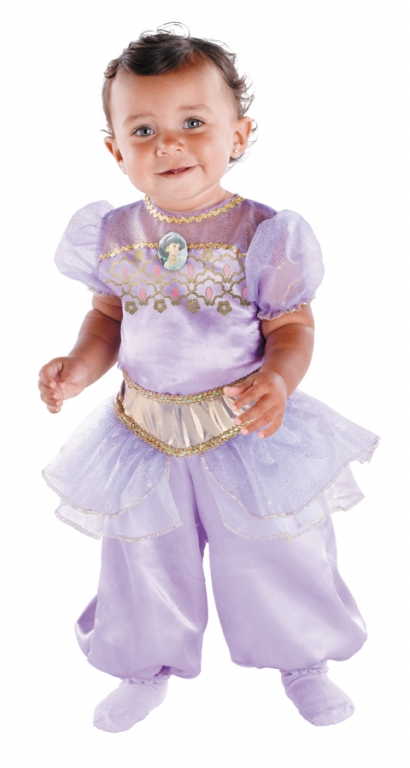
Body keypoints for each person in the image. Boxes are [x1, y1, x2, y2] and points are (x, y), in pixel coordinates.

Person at [39, 25, 379, 733]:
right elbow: (108, 319)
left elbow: (292, 326)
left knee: (275, 551)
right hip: (143, 431)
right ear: (116, 151)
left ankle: (302, 660)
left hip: (246, 429)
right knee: (142, 555)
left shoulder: (261, 232)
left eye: (193, 123)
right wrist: (79, 366)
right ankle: (143, 665)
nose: (170, 144)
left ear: (238, 134)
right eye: (144, 130)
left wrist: (278, 380)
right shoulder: (115, 234)